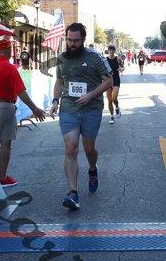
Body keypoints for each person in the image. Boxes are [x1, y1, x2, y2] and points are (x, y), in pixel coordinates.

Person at [49, 23, 113, 211]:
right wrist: (55, 101)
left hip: (91, 109)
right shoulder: (62, 58)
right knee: (71, 148)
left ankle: (92, 169)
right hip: (68, 108)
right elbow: (59, 81)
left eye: (76, 40)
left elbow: (108, 81)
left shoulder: (95, 58)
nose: (72, 44)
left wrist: (90, 95)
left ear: (83, 39)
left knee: (89, 149)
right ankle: (73, 193)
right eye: (69, 40)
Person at [0, 38, 45, 187]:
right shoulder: (10, 68)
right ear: (8, 51)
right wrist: (34, 108)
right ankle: (2, 177)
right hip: (5, 107)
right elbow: (20, 91)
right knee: (5, 143)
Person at [105, 45, 124, 124]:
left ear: (114, 51)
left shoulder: (118, 59)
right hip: (108, 80)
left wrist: (121, 69)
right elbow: (102, 70)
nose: (111, 51)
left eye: (113, 50)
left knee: (114, 98)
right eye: (110, 50)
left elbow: (123, 67)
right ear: (108, 51)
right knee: (109, 100)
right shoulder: (105, 60)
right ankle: (112, 116)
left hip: (116, 80)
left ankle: (117, 107)